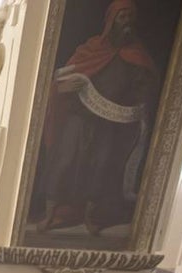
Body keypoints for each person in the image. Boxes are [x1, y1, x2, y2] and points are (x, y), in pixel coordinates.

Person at [33, 0, 159, 235]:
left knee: (100, 168)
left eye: (131, 17)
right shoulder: (91, 49)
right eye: (122, 17)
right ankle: (49, 215)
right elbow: (60, 81)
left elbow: (145, 91)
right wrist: (65, 86)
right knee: (64, 162)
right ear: (111, 21)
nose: (127, 23)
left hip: (110, 123)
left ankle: (90, 216)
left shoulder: (137, 56)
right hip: (79, 117)